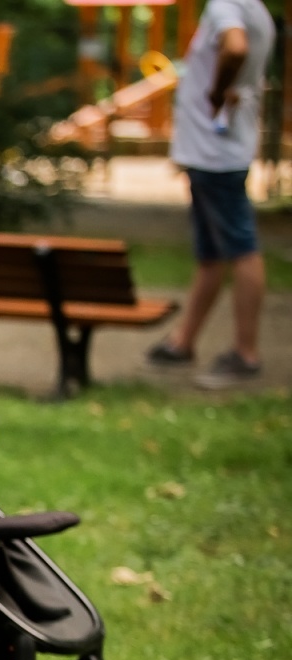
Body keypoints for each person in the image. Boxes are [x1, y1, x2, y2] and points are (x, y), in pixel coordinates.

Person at [147, 0, 275, 388]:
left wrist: (217, 93)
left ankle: (245, 352)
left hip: (215, 154)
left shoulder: (226, 4)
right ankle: (184, 341)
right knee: (211, 254)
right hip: (213, 152)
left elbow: (235, 48)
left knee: (239, 247)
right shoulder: (256, 9)